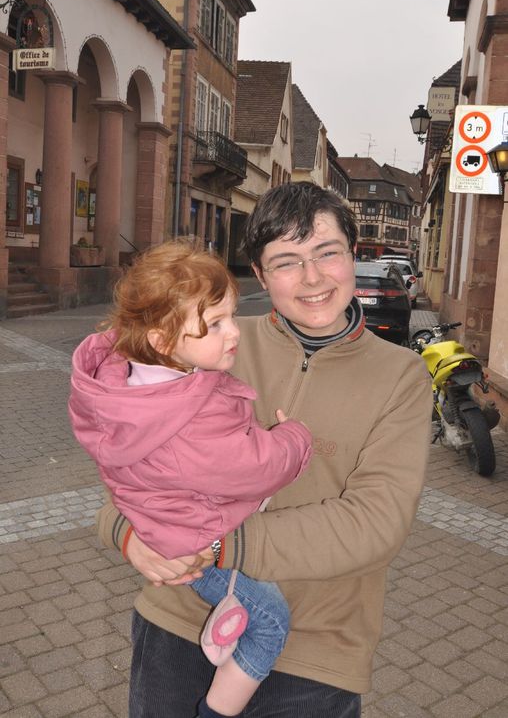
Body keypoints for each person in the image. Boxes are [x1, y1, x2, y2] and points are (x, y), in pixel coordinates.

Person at [97, 181, 433, 718]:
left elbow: (376, 522)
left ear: (353, 253)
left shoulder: (402, 377)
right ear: (259, 275)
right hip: (180, 622)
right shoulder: (211, 340)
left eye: (328, 252)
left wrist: (215, 546)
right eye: (287, 261)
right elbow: (131, 466)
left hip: (314, 651)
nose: (313, 278)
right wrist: (128, 535)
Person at [69, 241, 312, 718]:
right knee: (270, 621)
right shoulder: (187, 413)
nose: (233, 333)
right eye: (215, 324)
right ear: (163, 340)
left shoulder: (133, 385)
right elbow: (251, 467)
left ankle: (225, 629)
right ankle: (217, 711)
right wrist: (294, 437)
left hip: (165, 527)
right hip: (195, 542)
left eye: (231, 316)